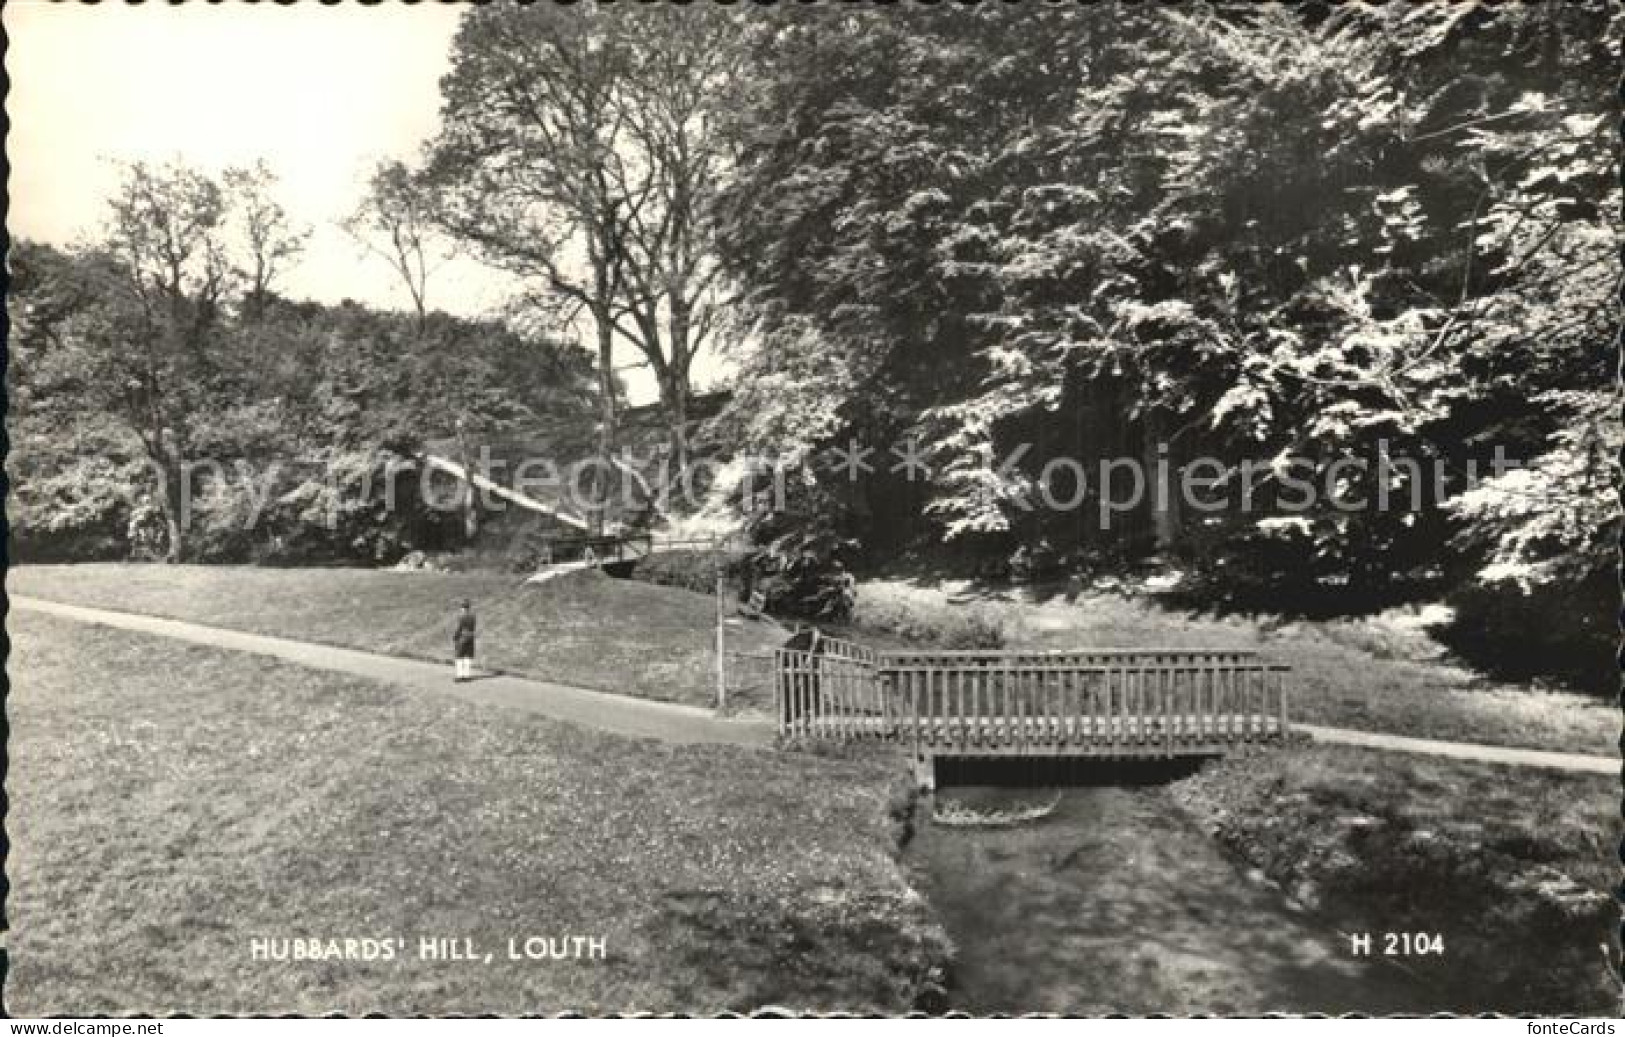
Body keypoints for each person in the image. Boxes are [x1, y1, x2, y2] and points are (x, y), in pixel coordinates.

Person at [453, 599, 477, 682]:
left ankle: (459, 676)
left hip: (462, 636)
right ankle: (467, 675)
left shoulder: (461, 616)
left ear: (462, 607)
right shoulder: (473, 616)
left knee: (459, 656)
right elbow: (473, 627)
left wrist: (455, 636)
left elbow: (458, 628)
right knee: (468, 656)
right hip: (471, 636)